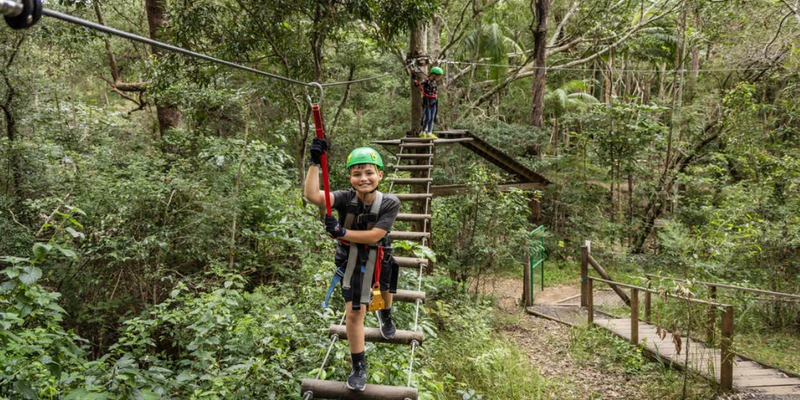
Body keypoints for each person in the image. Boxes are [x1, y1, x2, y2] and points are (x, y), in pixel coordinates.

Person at [303, 138, 401, 391]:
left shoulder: (390, 202)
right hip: (352, 262)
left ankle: (386, 315)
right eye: (357, 174)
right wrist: (315, 162)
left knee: (385, 292)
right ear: (350, 178)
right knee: (355, 312)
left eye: (369, 172)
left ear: (380, 174)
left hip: (379, 257)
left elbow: (374, 236)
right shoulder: (345, 198)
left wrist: (340, 231)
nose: (363, 178)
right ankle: (359, 365)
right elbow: (313, 195)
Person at [413, 66, 444, 138]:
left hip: (433, 101)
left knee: (433, 117)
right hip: (427, 100)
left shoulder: (434, 82)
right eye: (438, 76)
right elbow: (418, 84)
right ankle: (423, 131)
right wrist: (414, 77)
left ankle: (429, 132)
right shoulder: (426, 80)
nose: (439, 78)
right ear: (433, 75)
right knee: (428, 117)